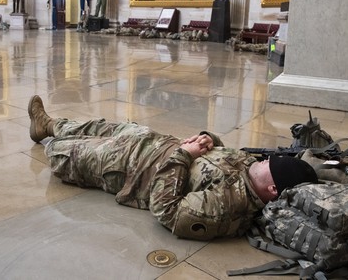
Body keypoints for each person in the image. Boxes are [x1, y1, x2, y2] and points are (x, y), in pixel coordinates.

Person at [28, 95, 318, 241]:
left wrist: (183, 154)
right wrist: (209, 139)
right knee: (99, 126)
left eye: (272, 165)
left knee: (64, 152)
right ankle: (48, 125)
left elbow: (167, 210)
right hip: (150, 141)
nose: (266, 160)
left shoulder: (229, 205)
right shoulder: (250, 166)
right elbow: (220, 153)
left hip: (128, 168)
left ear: (272, 189)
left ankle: (52, 137)